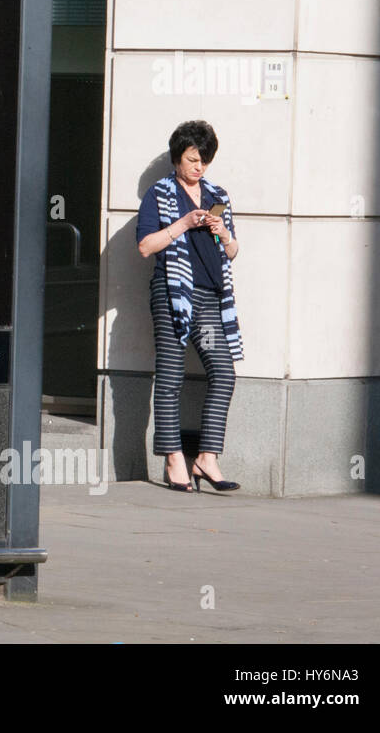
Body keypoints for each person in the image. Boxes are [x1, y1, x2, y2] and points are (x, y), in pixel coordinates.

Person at [135, 120, 242, 494]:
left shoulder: (217, 194)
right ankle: (173, 459)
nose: (199, 167)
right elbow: (146, 246)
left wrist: (224, 233)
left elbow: (231, 252)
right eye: (193, 159)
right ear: (177, 157)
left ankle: (207, 457)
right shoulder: (159, 194)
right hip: (173, 295)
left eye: (205, 161)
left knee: (224, 372)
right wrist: (182, 223)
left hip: (211, 296)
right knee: (170, 375)